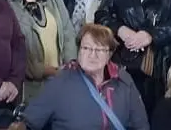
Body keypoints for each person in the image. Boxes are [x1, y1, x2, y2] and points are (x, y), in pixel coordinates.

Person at [24, 24, 153, 130]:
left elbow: (140, 125)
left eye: (99, 50)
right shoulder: (60, 83)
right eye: (86, 48)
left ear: (109, 54)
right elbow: (29, 123)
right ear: (79, 50)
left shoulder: (123, 80)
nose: (92, 55)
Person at [0, 0, 78, 103]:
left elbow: (68, 32)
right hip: (26, 87)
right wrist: (41, 70)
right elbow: (6, 45)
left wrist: (69, 67)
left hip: (60, 82)